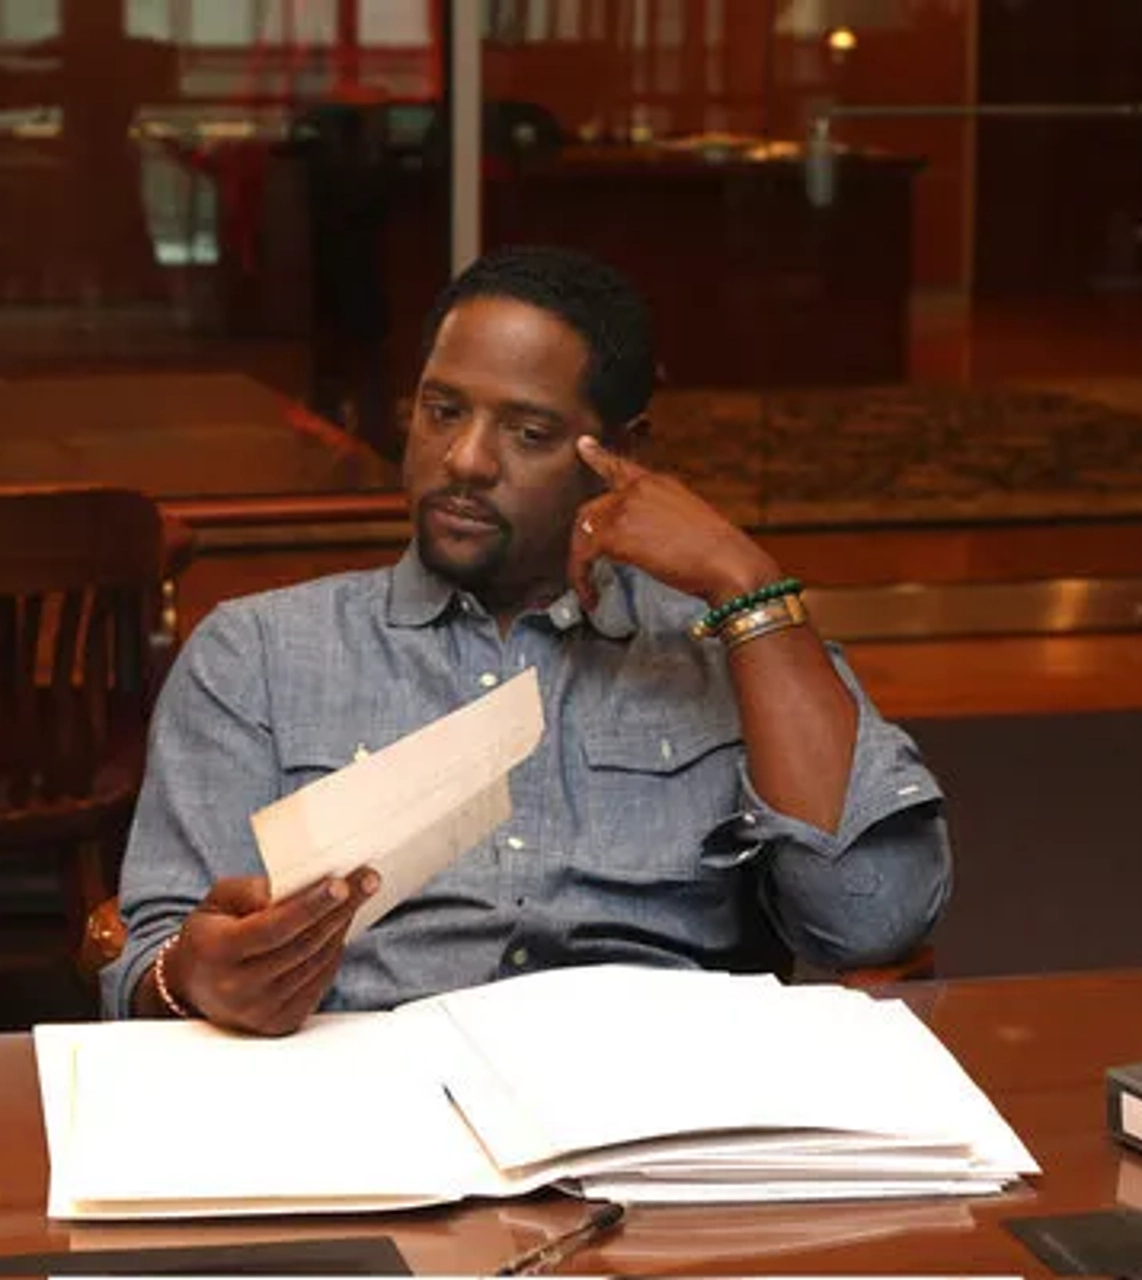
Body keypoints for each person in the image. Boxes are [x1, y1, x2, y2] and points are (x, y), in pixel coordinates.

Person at [104, 245, 951, 1035]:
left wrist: (743, 579)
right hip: (364, 1105)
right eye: (441, 411)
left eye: (529, 433)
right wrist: (197, 979)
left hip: (661, 1113)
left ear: (623, 455)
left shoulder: (728, 649)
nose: (465, 459)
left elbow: (871, 917)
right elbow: (149, 957)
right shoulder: (257, 655)